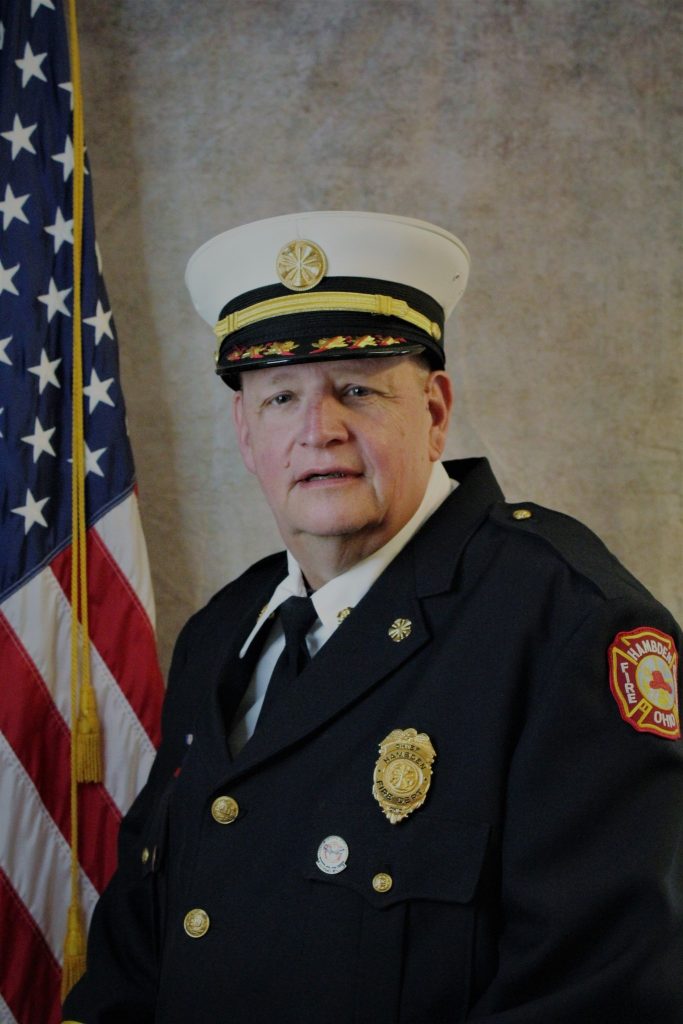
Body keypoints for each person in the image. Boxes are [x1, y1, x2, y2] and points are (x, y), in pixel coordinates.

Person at [63, 212, 683, 1023]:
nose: (318, 431)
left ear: (435, 410)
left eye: (357, 389)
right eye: (280, 397)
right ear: (245, 433)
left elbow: (599, 998)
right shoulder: (222, 632)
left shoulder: (567, 625)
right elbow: (137, 954)